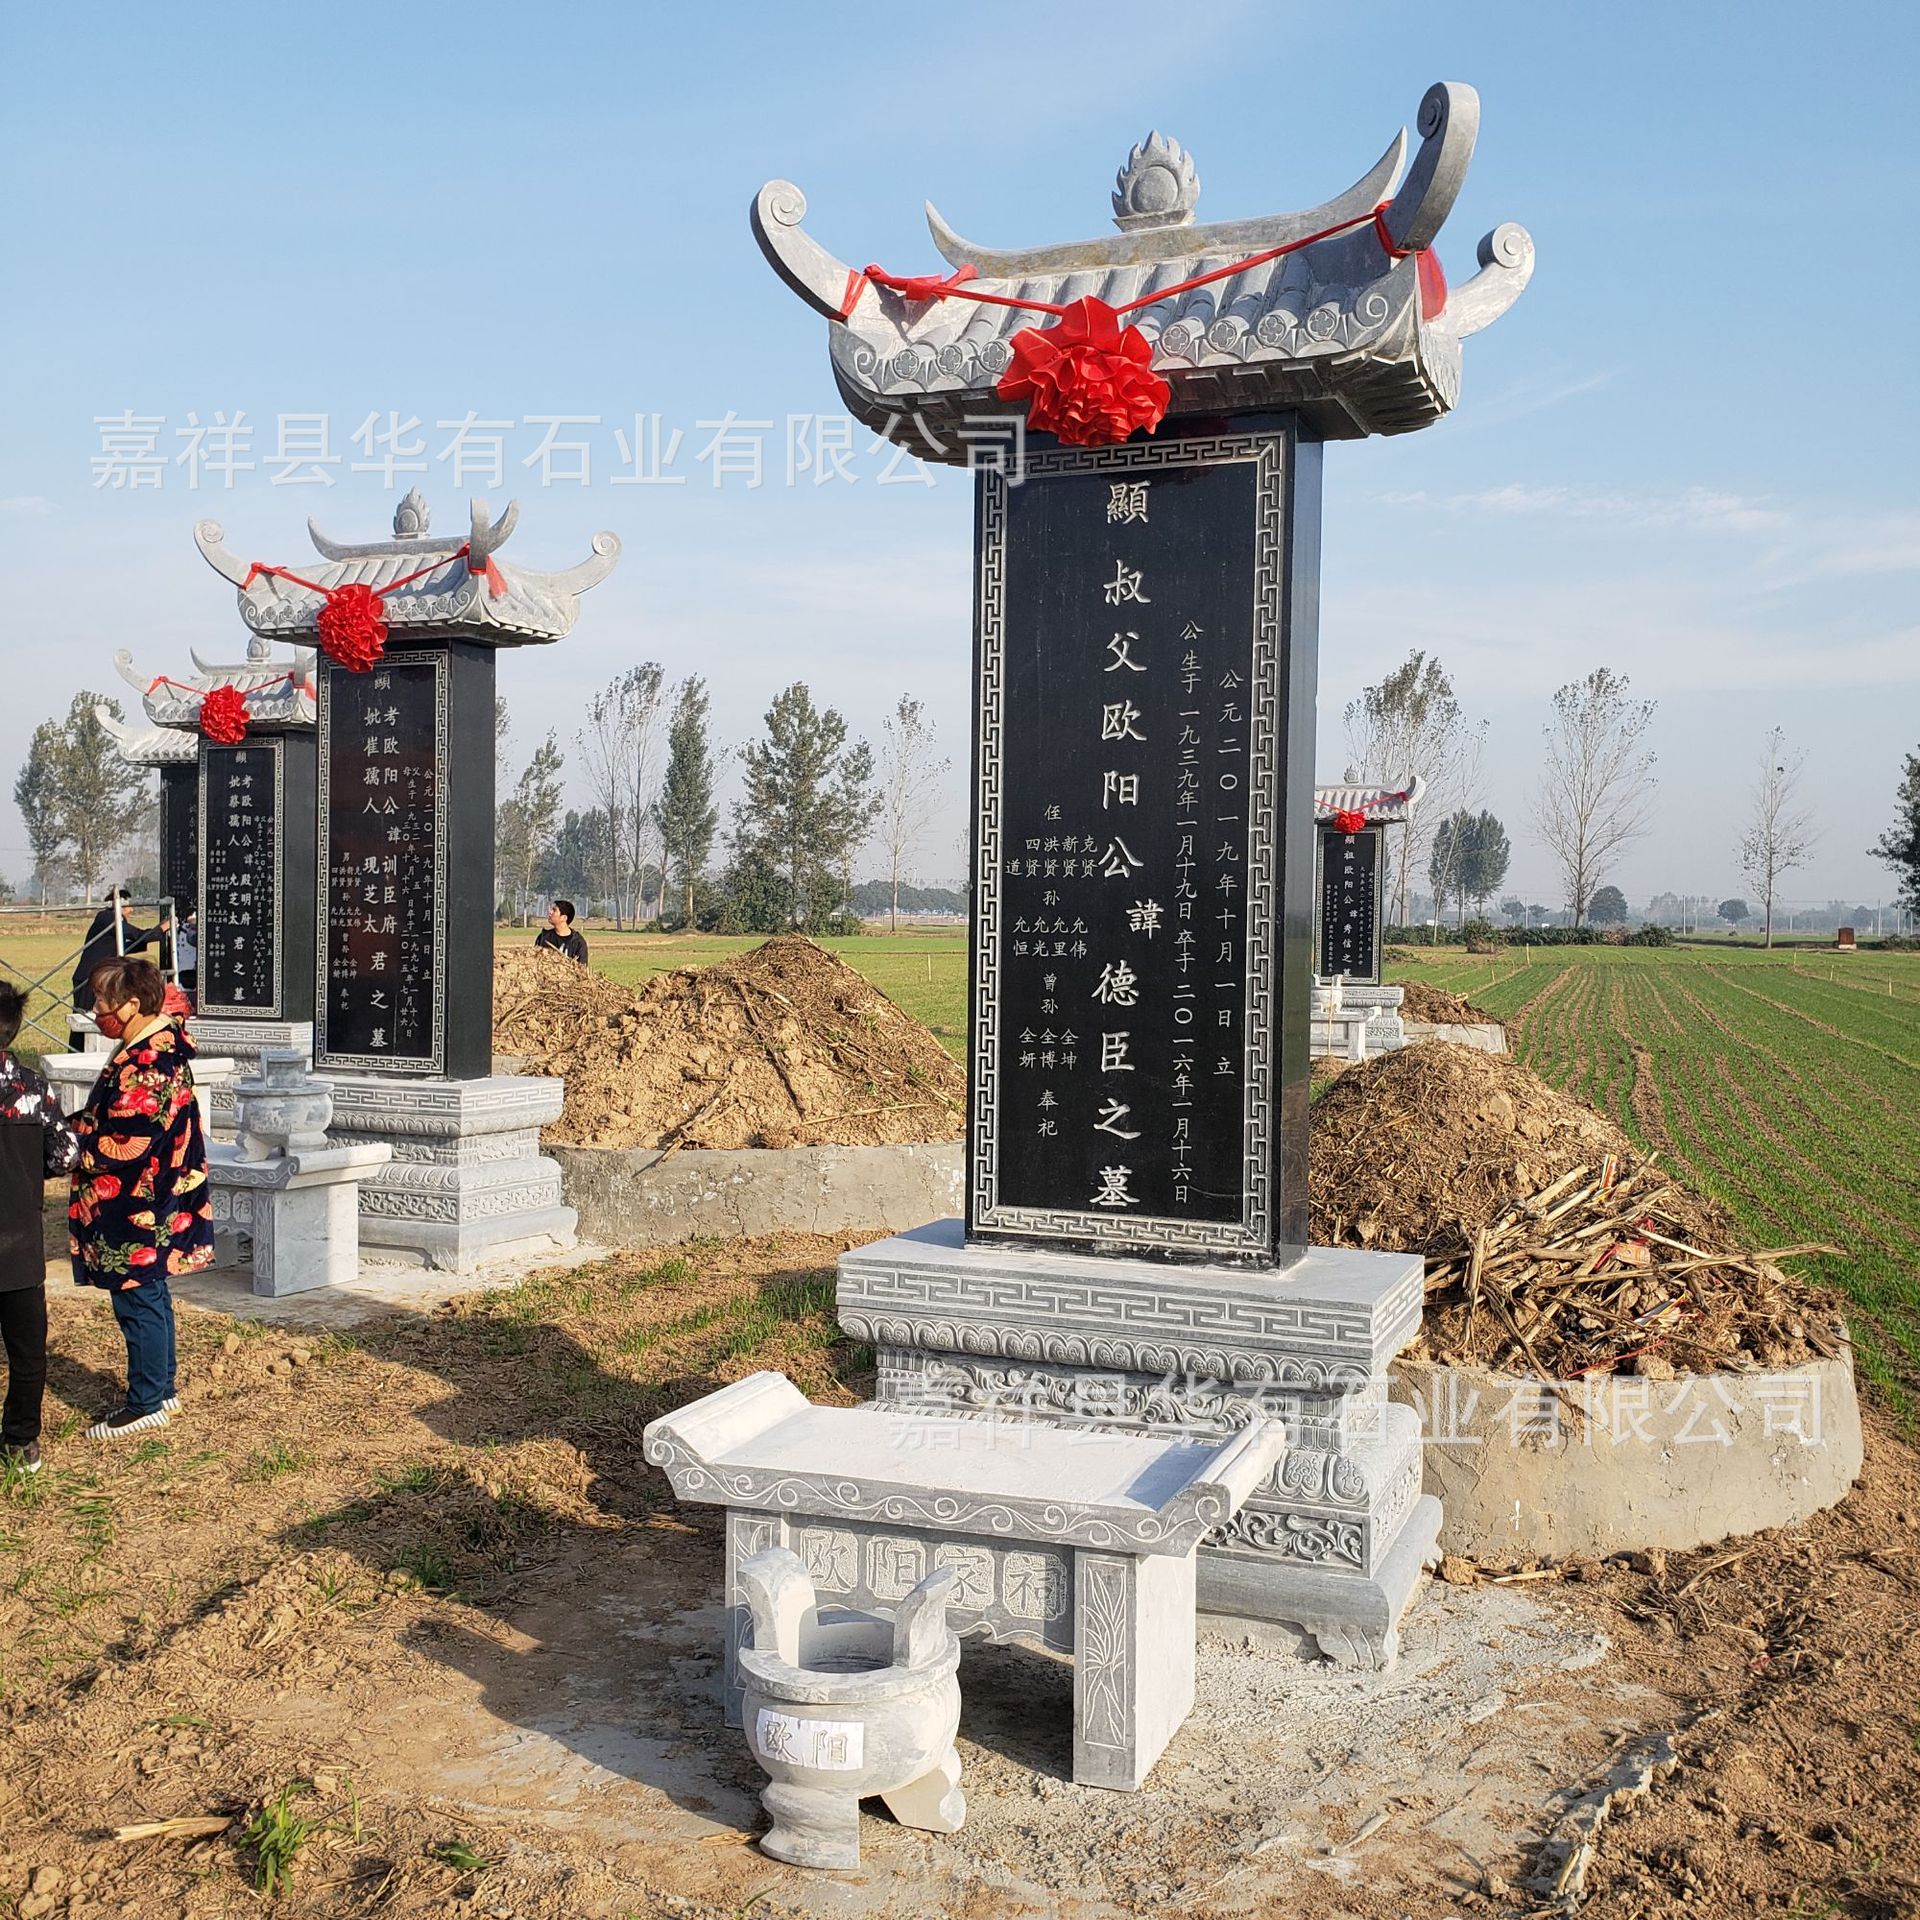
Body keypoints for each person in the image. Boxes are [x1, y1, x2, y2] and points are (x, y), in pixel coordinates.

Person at [68, 956, 213, 1440]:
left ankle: (147, 1399)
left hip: (135, 1201)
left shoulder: (148, 1064)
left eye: (102, 1002)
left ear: (131, 1005)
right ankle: (161, 1388)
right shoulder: (151, 1045)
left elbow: (123, 1141)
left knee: (138, 1298)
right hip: (151, 1195)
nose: (96, 1011)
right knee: (150, 1293)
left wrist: (67, 1147)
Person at [0, 981, 78, 1476]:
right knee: (28, 1352)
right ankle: (22, 1441)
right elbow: (66, 1153)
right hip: (19, 1245)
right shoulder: (31, 1087)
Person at [71, 889, 160, 1014]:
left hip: (97, 976)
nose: (131, 910)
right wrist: (161, 929)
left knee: (97, 1016)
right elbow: (136, 934)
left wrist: (154, 936)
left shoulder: (111, 920)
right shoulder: (108, 918)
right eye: (128, 906)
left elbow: (124, 946)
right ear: (120, 905)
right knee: (85, 1018)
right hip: (88, 978)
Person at [534, 899, 589, 965]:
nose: (550, 912)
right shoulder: (543, 938)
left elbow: (582, 968)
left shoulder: (578, 942)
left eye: (554, 910)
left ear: (564, 918)